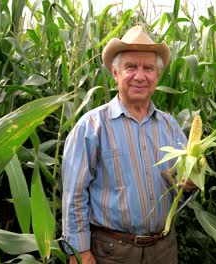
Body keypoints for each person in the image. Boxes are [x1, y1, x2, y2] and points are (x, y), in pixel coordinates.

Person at [62, 25, 196, 264]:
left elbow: (182, 182)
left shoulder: (170, 126)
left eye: (148, 68)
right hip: (112, 252)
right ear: (115, 73)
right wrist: (79, 251)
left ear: (157, 76)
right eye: (131, 67)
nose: (140, 75)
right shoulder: (91, 126)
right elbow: (74, 195)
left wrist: (189, 184)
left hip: (163, 249)